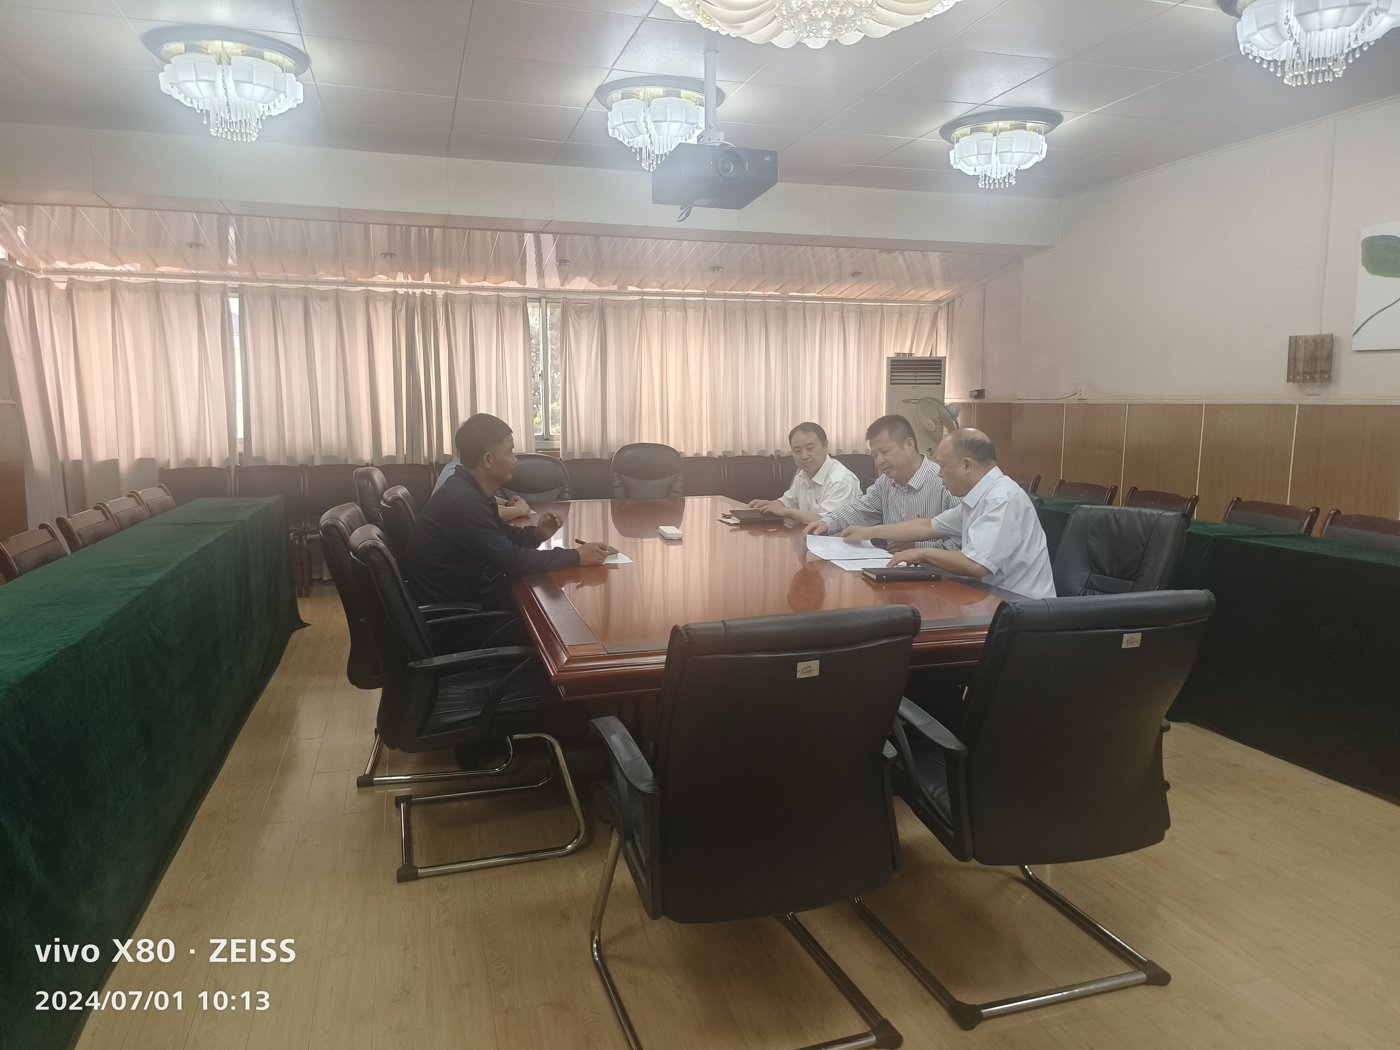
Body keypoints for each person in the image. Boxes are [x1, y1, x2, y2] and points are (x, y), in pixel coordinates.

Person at [406, 414, 610, 607]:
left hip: (468, 598)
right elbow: (512, 560)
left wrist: (537, 534)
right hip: (462, 615)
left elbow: (504, 536)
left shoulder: (468, 489)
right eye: (510, 452)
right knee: (556, 609)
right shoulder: (463, 502)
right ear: (488, 460)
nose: (515, 460)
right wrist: (576, 556)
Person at [840, 428, 1054, 599]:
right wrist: (868, 532)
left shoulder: (1001, 499)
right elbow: (928, 526)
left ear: (967, 465)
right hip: (990, 599)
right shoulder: (979, 496)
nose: (940, 474)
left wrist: (922, 553)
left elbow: (975, 564)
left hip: (1023, 610)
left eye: (943, 466)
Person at [804, 413, 959, 549]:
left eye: (885, 452)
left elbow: (963, 545)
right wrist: (827, 522)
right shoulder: (885, 482)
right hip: (891, 566)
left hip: (936, 571)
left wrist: (918, 547)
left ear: (909, 445)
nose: (879, 461)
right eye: (875, 455)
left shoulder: (945, 482)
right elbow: (859, 509)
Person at [748, 422, 861, 525]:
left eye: (810, 448)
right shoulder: (803, 475)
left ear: (825, 446)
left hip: (838, 540)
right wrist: (767, 505)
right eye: (797, 450)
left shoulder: (841, 480)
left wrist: (788, 512)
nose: (804, 456)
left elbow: (827, 522)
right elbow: (786, 502)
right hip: (809, 537)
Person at [435, 453, 530, 520]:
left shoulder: (462, 469)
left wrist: (506, 503)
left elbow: (480, 497)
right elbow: (479, 510)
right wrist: (518, 510)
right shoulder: (454, 475)